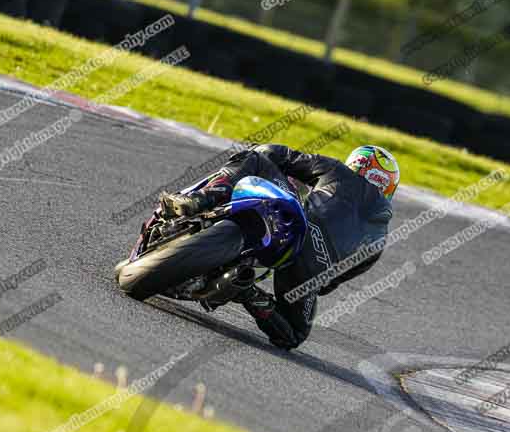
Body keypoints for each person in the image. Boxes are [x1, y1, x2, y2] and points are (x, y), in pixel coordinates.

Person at [160, 144, 399, 350]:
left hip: (292, 225)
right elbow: (329, 284)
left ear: (357, 165)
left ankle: (200, 200)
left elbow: (277, 154)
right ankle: (248, 292)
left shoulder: (338, 171)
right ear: (389, 188)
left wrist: (265, 156)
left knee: (255, 158)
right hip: (306, 272)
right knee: (294, 335)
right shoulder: (380, 240)